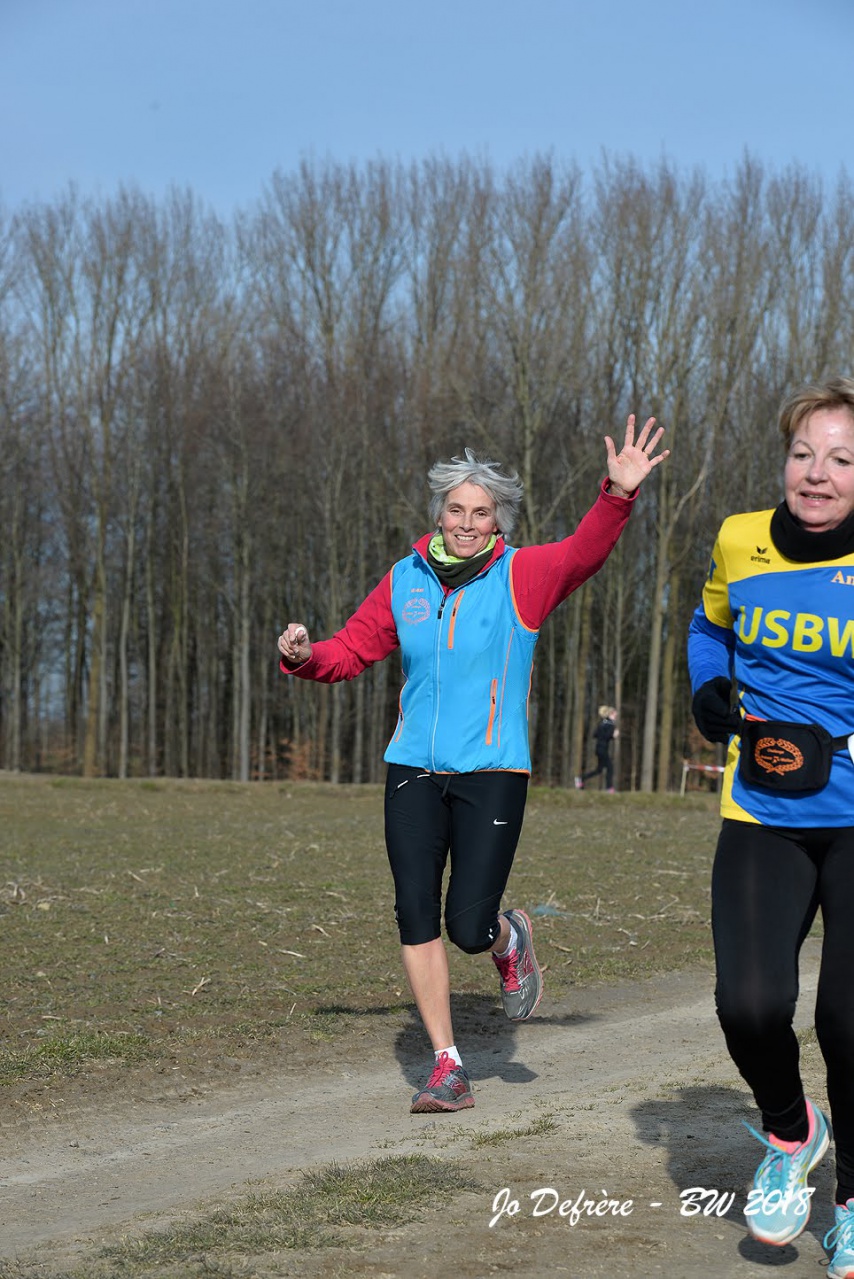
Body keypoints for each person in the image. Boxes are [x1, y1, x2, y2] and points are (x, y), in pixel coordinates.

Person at [279, 414, 668, 1115]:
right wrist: (305, 656)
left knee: (467, 927)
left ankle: (507, 938)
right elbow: (351, 651)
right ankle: (447, 1065)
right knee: (414, 911)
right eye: (455, 509)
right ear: (439, 513)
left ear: (497, 521)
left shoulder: (523, 575)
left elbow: (583, 553)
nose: (465, 523)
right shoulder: (405, 579)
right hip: (412, 769)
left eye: (479, 512)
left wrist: (617, 494)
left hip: (492, 771)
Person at [688, 376, 854, 1278]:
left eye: (841, 459)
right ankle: (792, 1132)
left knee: (848, 1020)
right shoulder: (739, 538)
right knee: (748, 1006)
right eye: (803, 453)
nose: (817, 473)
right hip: (763, 808)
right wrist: (708, 684)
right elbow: (708, 624)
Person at [575, 705, 619, 792]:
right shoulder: (610, 724)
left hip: (598, 749)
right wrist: (614, 735)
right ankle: (609, 788)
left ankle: (580, 779)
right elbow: (606, 736)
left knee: (599, 770)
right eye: (615, 715)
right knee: (610, 768)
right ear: (610, 714)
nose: (616, 717)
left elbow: (595, 734)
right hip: (603, 749)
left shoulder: (602, 722)